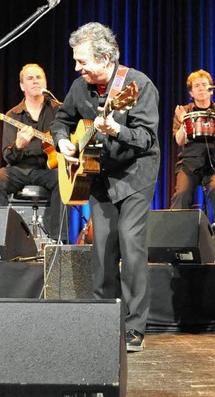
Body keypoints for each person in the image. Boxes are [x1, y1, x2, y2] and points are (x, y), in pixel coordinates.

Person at [50, 22, 160, 352]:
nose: (76, 67)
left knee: (130, 243)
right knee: (102, 250)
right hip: (97, 175)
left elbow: (146, 138)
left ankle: (134, 326)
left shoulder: (137, 85)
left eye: (82, 61)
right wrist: (62, 144)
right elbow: (61, 121)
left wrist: (115, 130)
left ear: (107, 57)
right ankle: (103, 319)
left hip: (136, 175)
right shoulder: (79, 88)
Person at [0, 63, 67, 242]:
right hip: (20, 169)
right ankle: (2, 238)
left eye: (39, 77)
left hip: (48, 169)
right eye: (30, 78)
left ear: (45, 82)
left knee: (65, 180)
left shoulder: (59, 110)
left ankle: (58, 241)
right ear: (22, 86)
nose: (35, 81)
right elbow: (8, 156)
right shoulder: (12, 115)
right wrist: (19, 145)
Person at [170, 69, 215, 244]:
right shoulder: (183, 111)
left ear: (211, 89)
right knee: (182, 194)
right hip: (190, 164)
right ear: (191, 92)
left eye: (204, 85)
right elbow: (179, 141)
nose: (201, 88)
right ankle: (173, 239)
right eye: (196, 86)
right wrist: (185, 121)